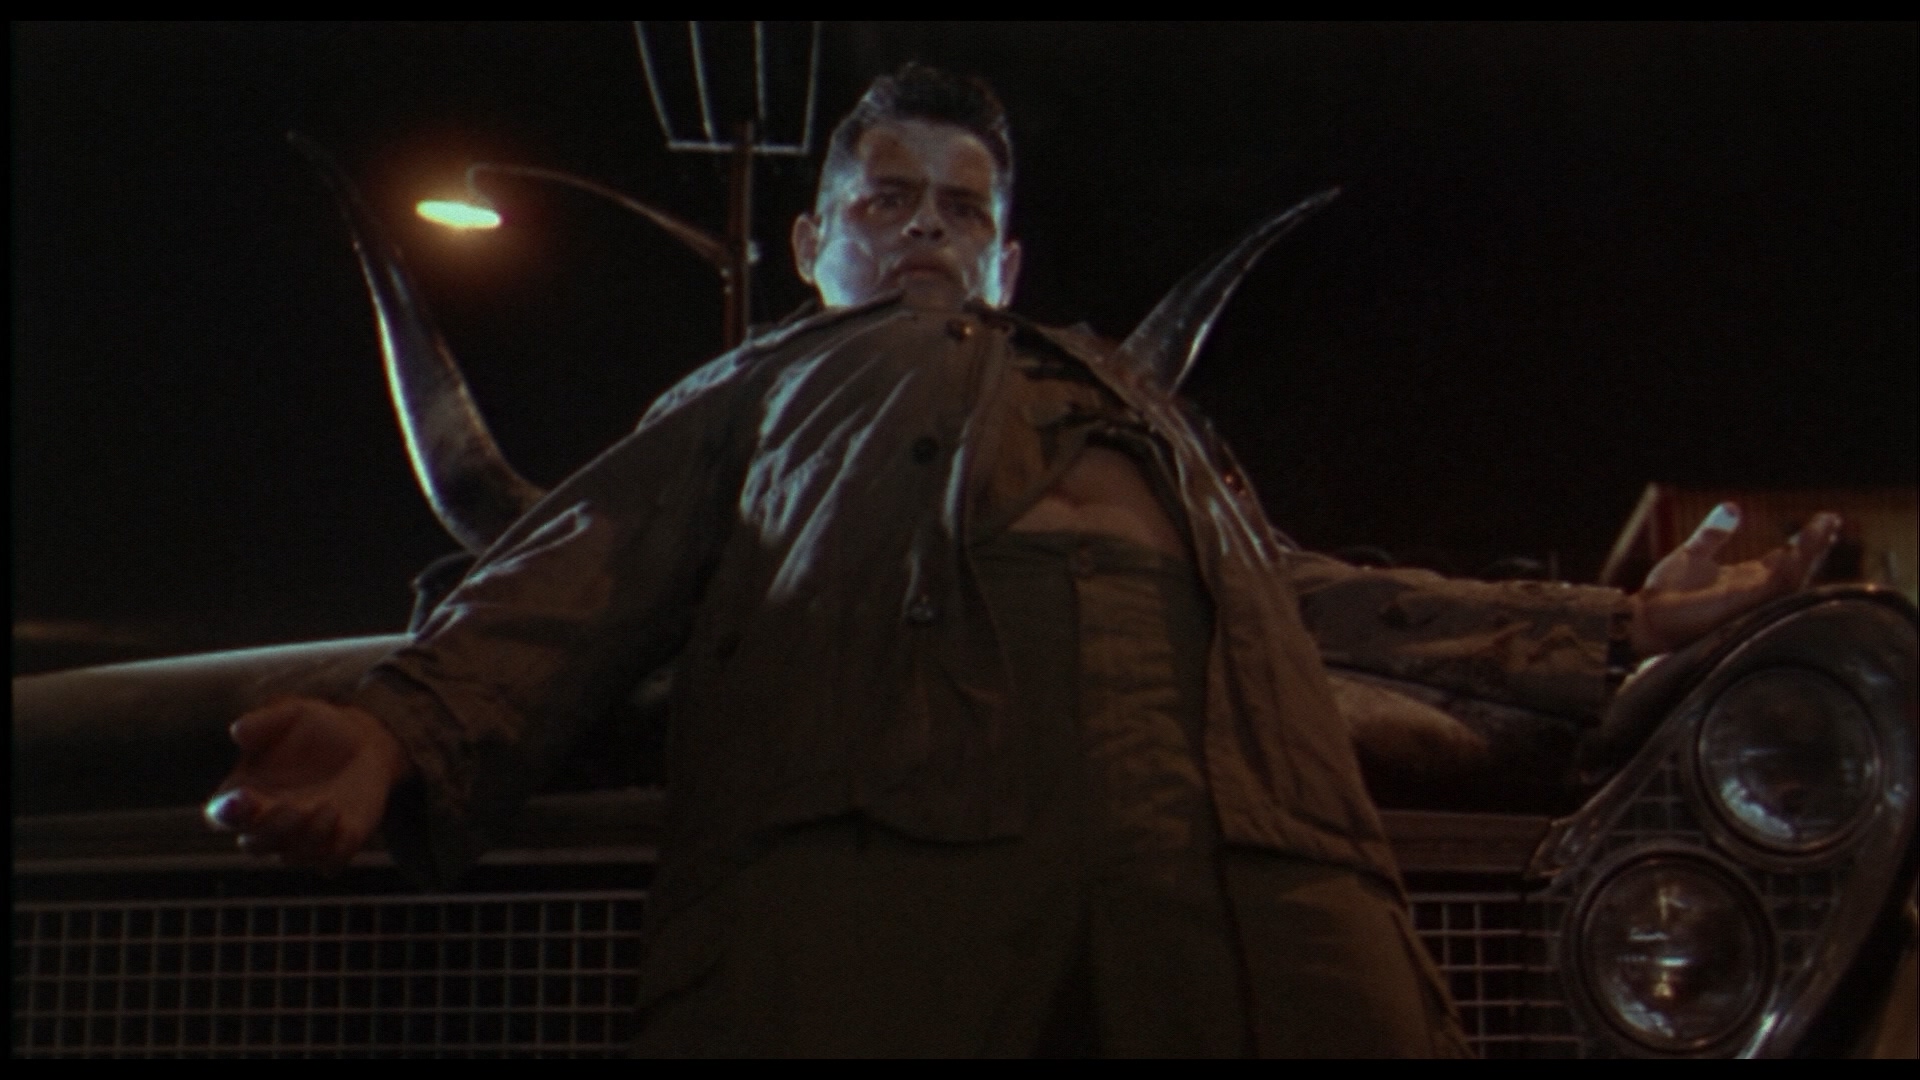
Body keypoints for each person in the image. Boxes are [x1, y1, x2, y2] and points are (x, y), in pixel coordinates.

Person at [205, 64, 1840, 1057]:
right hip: (877, 826)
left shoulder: (1131, 397)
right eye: (887, 200)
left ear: (1006, 253)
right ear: (813, 243)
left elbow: (1316, 592)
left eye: (963, 208)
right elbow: (589, 551)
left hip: (1252, 845)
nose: (928, 225)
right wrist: (402, 726)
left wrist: (1625, 620)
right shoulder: (760, 384)